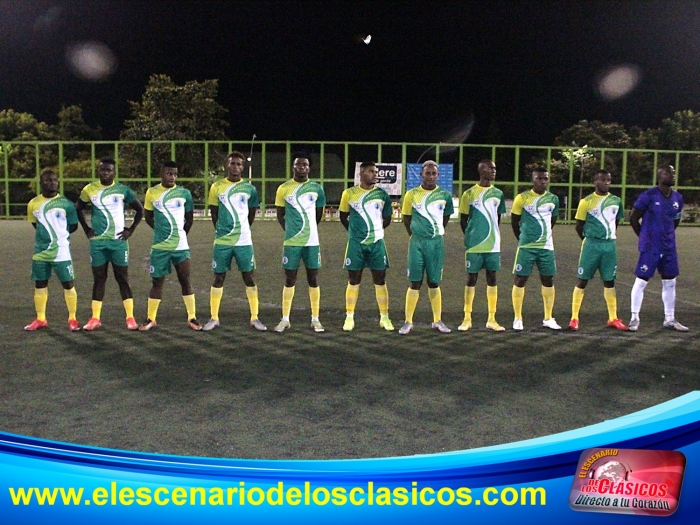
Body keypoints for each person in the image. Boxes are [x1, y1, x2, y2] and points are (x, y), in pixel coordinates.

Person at [76, 157, 144, 331]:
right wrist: (86, 229)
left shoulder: (122, 190)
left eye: (108, 170)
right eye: (102, 169)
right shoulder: (89, 189)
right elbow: (78, 208)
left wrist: (130, 230)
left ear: (114, 172)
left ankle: (130, 318)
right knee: (99, 279)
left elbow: (140, 210)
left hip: (118, 243)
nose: (105, 173)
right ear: (98, 171)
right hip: (98, 244)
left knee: (122, 279)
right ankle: (95, 318)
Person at [203, 151, 267, 331]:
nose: (235, 167)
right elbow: (214, 213)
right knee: (219, 277)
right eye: (232, 163)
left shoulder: (249, 189)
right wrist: (222, 230)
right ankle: (214, 318)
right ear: (227, 165)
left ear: (242, 167)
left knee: (249, 277)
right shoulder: (216, 187)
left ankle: (254, 317)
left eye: (239, 164)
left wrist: (242, 229)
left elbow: (251, 213)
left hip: (243, 241)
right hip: (222, 241)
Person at [139, 161, 202, 331]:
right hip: (160, 246)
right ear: (161, 173)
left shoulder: (184, 193)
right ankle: (151, 318)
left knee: (185, 280)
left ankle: (192, 317)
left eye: (175, 174)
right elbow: (148, 216)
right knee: (157, 282)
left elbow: (189, 218)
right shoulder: (152, 192)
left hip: (180, 246)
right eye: (169, 173)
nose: (172, 177)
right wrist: (161, 231)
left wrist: (180, 235)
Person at [628, 165, 688, 332]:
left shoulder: (677, 198)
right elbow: (633, 218)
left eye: (674, 172)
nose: (673, 175)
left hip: (669, 247)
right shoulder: (648, 196)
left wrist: (666, 236)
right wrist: (644, 236)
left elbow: (675, 220)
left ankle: (669, 319)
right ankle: (634, 318)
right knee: (641, 281)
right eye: (669, 172)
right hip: (650, 247)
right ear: (660, 176)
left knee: (670, 282)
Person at [398, 160, 454, 335]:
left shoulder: (445, 195)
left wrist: (435, 232)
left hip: (436, 243)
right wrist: (415, 234)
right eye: (427, 173)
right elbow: (406, 218)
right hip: (417, 242)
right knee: (415, 282)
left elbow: (446, 217)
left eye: (433, 173)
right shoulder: (411, 194)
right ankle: (408, 322)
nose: (430, 176)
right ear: (421, 175)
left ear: (438, 175)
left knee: (434, 282)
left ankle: (437, 320)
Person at [273, 152, 326, 333]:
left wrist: (308, 230)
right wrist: (291, 231)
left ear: (309, 168)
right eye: (298, 164)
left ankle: (315, 319)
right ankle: (285, 319)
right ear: (293, 167)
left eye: (305, 164)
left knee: (313, 278)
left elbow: (318, 214)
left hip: (311, 241)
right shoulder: (283, 188)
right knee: (290, 279)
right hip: (292, 242)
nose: (301, 167)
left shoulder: (317, 189)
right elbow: (280, 214)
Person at [568, 170, 628, 331]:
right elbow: (579, 226)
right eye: (603, 180)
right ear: (595, 182)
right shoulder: (586, 202)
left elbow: (616, 222)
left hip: (609, 246)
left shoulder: (616, 201)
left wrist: (607, 237)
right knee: (582, 280)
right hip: (591, 245)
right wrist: (589, 240)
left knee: (609, 281)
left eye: (608, 179)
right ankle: (574, 318)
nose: (606, 182)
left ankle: (613, 318)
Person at [339, 161, 394, 331]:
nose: (375, 174)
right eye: (371, 171)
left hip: (377, 243)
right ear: (361, 173)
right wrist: (355, 233)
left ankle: (384, 317)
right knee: (353, 279)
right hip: (356, 244)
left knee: (380, 279)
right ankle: (349, 317)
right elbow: (343, 216)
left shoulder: (382, 195)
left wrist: (375, 232)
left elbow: (387, 218)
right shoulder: (349, 193)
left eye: (376, 172)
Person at [24, 169, 81, 331]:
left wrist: (59, 238)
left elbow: (73, 226)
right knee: (40, 284)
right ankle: (40, 318)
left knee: (68, 284)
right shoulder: (33, 203)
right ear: (41, 183)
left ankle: (72, 319)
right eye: (48, 180)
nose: (52, 183)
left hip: (61, 252)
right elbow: (35, 224)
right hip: (40, 252)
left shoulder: (66, 204)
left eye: (55, 180)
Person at [458, 159, 506, 332]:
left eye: (495, 168)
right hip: (474, 245)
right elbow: (463, 220)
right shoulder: (469, 194)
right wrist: (472, 237)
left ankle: (492, 319)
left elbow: (497, 219)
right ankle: (467, 318)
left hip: (493, 245)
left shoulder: (498, 194)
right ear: (481, 171)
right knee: (471, 279)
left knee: (492, 279)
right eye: (490, 168)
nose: (494, 171)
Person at [511, 167, 560, 331]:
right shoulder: (522, 198)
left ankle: (548, 318)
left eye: (545, 178)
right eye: (539, 178)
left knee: (548, 280)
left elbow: (553, 220)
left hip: (546, 247)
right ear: (533, 180)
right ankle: (518, 318)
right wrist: (523, 239)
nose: (543, 181)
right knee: (520, 280)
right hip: (526, 247)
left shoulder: (553, 199)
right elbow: (515, 221)